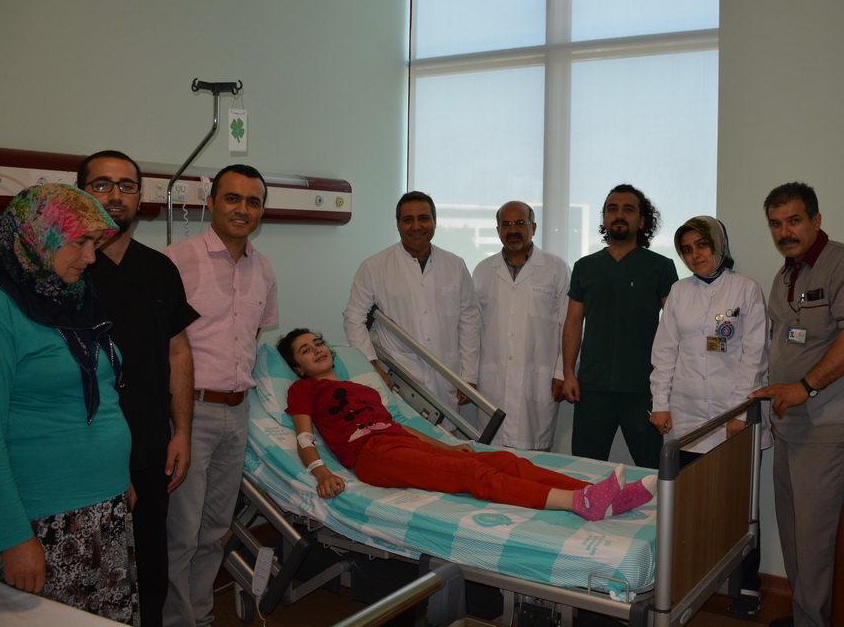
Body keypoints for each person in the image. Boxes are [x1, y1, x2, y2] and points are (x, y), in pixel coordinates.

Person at [0, 184, 138, 624]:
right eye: (80, 242)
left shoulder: (72, 296)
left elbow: (102, 389)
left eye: (94, 243)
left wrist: (119, 479)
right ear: (37, 236)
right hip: (41, 518)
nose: (90, 257)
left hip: (104, 504)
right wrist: (11, 536)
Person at [277, 329, 657, 520]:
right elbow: (304, 437)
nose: (317, 349)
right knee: (474, 475)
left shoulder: (363, 388)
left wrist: (445, 447)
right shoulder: (303, 389)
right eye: (305, 350)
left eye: (318, 342)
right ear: (298, 367)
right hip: (371, 455)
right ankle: (580, 504)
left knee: (506, 461)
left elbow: (399, 427)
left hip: (402, 444)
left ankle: (601, 494)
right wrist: (321, 473)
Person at [748, 183, 844, 627]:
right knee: (794, 533)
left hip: (828, 428)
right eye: (775, 223)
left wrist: (803, 387)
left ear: (816, 220)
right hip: (790, 425)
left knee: (818, 541)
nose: (784, 231)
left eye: (794, 220)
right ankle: (805, 616)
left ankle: (814, 622)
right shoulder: (785, 276)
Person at [79, 150, 199, 627]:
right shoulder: (68, 271)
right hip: (88, 448)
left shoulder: (159, 268)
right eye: (101, 184)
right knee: (93, 571)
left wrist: (181, 431)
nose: (115, 195)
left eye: (126, 186)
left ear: (140, 196)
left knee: (150, 568)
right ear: (81, 193)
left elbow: (178, 352)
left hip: (150, 445)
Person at [162, 164, 278, 627]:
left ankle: (201, 616)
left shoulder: (263, 268)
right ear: (210, 202)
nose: (242, 209)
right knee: (181, 531)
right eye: (232, 198)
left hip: (237, 409)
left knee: (214, 529)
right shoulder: (175, 261)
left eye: (253, 201)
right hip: (189, 411)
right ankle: (176, 621)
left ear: (262, 211)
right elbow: (161, 346)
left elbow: (251, 338)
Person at [648, 215, 769, 620]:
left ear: (719, 245)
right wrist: (660, 403)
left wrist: (739, 413)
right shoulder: (679, 292)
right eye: (686, 249)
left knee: (738, 507)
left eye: (701, 245)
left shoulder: (746, 289)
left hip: (732, 417)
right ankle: (687, 579)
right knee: (687, 507)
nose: (695, 255)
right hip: (684, 416)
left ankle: (747, 586)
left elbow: (754, 357)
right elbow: (665, 351)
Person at [561, 184, 678, 468]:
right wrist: (568, 373)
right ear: (604, 219)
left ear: (643, 220)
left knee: (652, 470)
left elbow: (676, 328)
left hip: (643, 388)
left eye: (628, 209)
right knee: (586, 469)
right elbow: (573, 322)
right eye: (612, 209)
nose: (619, 215)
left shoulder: (660, 267)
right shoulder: (585, 267)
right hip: (593, 387)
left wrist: (667, 386)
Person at [342, 191, 480, 424]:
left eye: (423, 218)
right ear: (398, 224)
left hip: (446, 373)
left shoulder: (455, 265)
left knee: (448, 440)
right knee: (407, 437)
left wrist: (468, 375)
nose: (416, 226)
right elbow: (353, 317)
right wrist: (372, 365)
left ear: (434, 221)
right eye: (408, 219)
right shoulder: (374, 266)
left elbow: (469, 320)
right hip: (400, 374)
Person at [472, 201, 571, 450]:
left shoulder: (556, 268)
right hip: (493, 380)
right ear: (498, 230)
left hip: (539, 378)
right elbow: (472, 328)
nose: (513, 230)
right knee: (492, 454)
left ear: (533, 227)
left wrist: (562, 372)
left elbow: (568, 324)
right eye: (506, 224)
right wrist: (469, 375)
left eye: (520, 223)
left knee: (534, 454)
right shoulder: (483, 270)